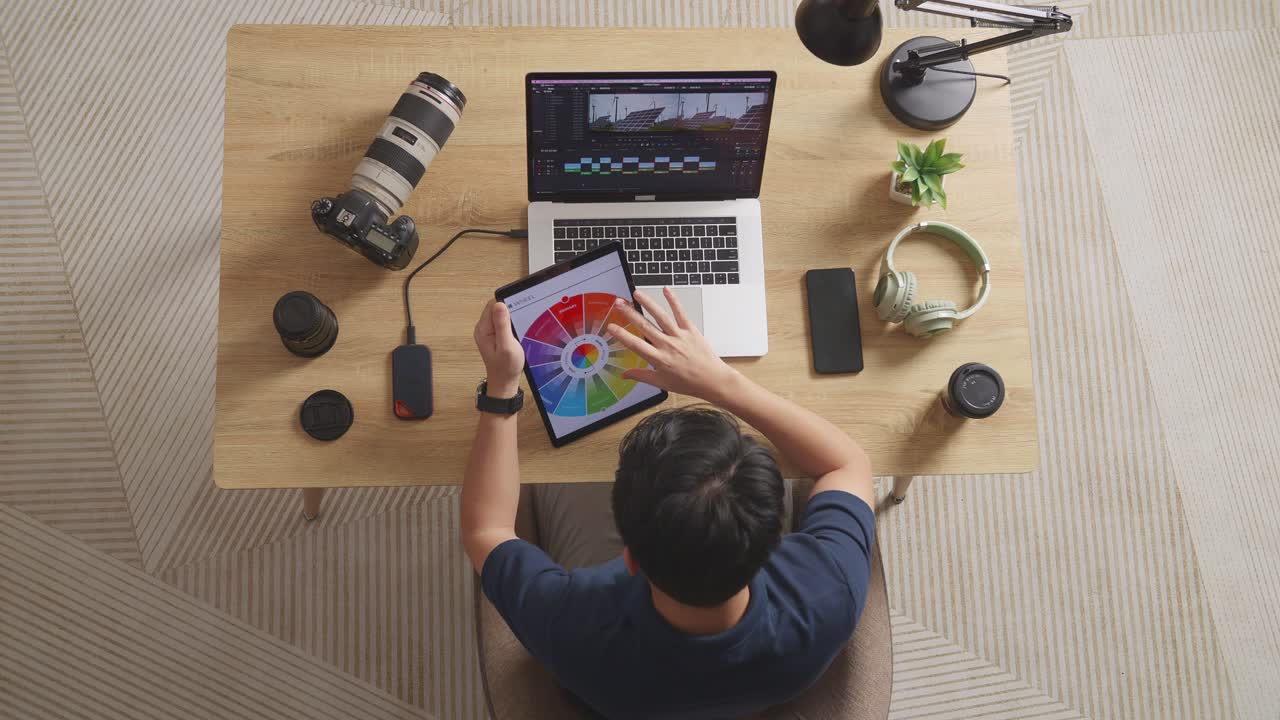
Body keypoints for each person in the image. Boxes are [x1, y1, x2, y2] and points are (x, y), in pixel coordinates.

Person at [462, 287, 876, 720]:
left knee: (558, 472)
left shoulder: (572, 627)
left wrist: (502, 385)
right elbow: (848, 463)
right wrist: (724, 382)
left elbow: (485, 531)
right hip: (746, 683)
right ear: (776, 537)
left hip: (614, 685)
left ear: (629, 558)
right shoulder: (829, 593)